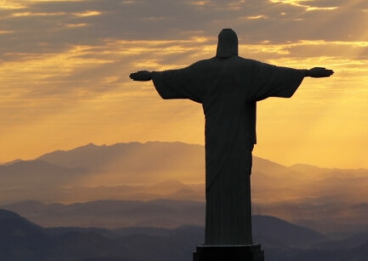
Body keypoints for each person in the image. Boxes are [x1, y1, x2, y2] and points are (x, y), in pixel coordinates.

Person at [130, 28, 333, 245]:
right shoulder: (247, 69)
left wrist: (152, 75)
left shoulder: (203, 70)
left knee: (217, 186)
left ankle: (219, 237)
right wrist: (306, 72)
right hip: (238, 140)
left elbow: (177, 76)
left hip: (215, 141)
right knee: (237, 186)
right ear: (235, 44)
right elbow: (275, 74)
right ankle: (237, 238)